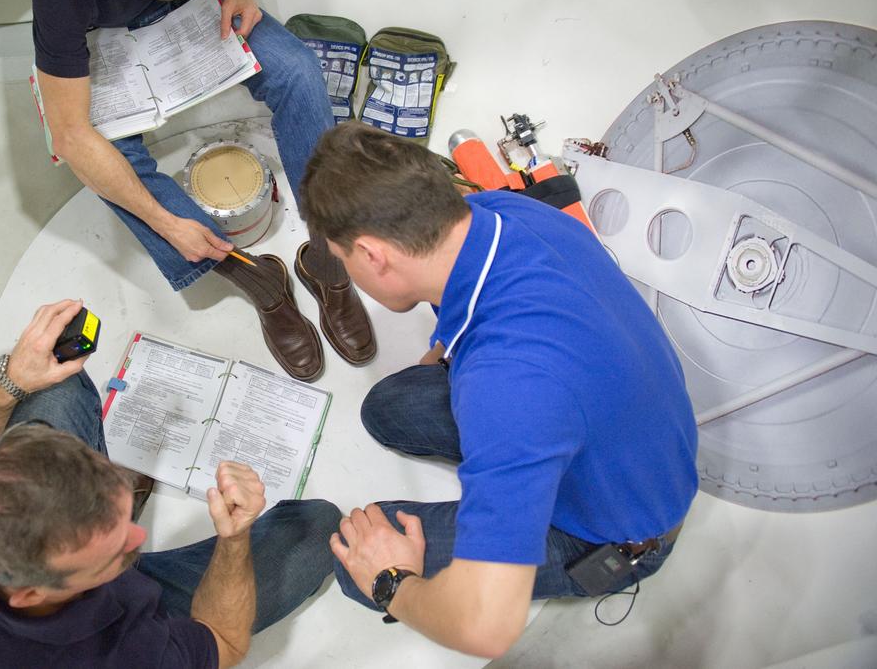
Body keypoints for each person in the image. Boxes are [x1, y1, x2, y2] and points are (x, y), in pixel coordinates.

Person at [298, 123, 698, 658]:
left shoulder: (505, 389)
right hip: (630, 433)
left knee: (357, 558)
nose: (347, 273)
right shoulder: (503, 213)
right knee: (389, 407)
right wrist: (449, 344)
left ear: (373, 255)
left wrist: (393, 582)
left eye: (342, 261)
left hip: (620, 535)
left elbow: (485, 627)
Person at [29, 0, 375, 381]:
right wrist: (167, 223)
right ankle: (255, 277)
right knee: (108, 165)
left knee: (296, 71)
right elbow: (70, 134)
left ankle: (326, 253)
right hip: (105, 28)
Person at [0, 299, 340, 668]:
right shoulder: (120, 654)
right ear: (32, 593)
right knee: (321, 531)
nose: (139, 535)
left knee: (57, 379)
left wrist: (10, 385)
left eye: (120, 517)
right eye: (115, 551)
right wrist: (234, 539)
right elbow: (224, 642)